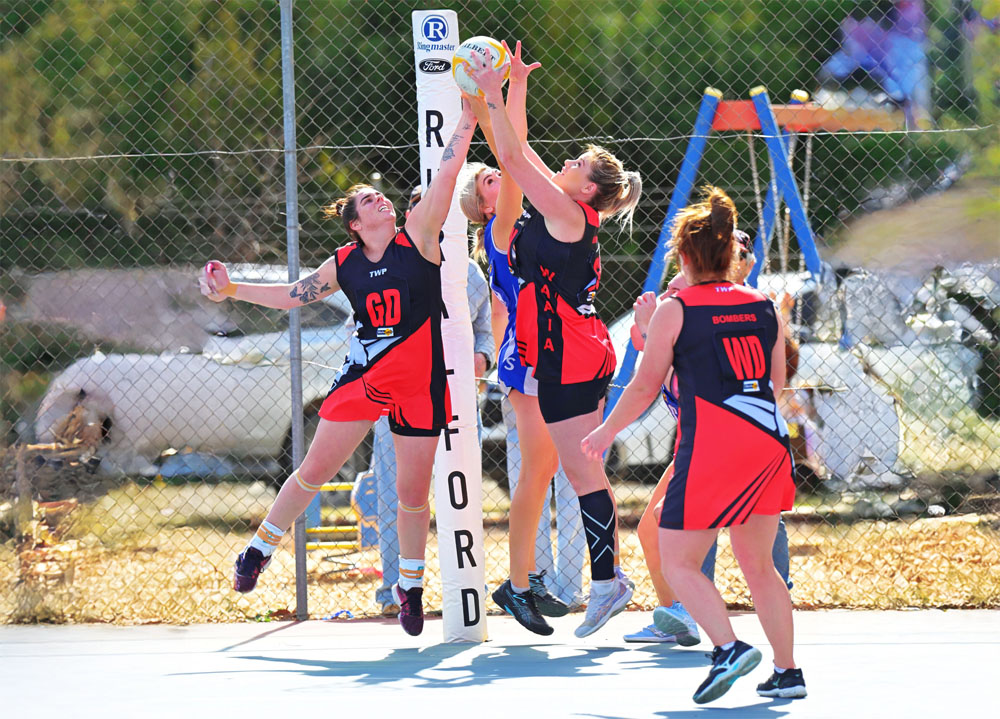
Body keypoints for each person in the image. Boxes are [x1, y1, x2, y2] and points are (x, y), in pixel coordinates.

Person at [198, 98, 481, 637]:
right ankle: (259, 549)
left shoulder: (418, 235)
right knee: (312, 471)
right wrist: (231, 288)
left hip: (420, 382)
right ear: (356, 224)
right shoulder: (345, 264)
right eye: (370, 201)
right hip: (366, 379)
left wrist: (469, 115)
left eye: (382, 196)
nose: (382, 201)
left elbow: (447, 174)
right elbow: (290, 296)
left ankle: (411, 589)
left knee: (412, 496)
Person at [582, 188, 806, 703]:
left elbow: (643, 386)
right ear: (731, 255)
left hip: (713, 445)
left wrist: (606, 430)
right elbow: (774, 386)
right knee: (760, 567)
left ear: (683, 256)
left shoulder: (675, 308)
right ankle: (788, 671)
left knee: (677, 559)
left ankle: (727, 648)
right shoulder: (764, 305)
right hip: (769, 444)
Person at [467, 44, 642, 638]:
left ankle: (607, 581)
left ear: (587, 190)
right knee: (573, 468)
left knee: (581, 470)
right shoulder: (563, 206)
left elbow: (512, 156)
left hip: (569, 353)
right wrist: (514, 85)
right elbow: (516, 151)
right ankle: (597, 581)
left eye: (574, 165)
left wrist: (495, 92)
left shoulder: (567, 216)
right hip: (568, 350)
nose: (563, 165)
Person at [459, 46, 586, 636]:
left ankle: (522, 578)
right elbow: (511, 155)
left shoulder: (533, 209)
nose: (495, 173)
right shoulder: (502, 224)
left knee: (544, 468)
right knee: (537, 471)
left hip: (548, 356)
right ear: (484, 202)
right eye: (486, 179)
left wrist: (512, 89)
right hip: (527, 360)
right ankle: (517, 584)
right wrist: (491, 98)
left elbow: (515, 147)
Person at [624, 231, 793, 645]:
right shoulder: (683, 320)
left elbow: (676, 383)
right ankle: (687, 615)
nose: (668, 291)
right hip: (724, 444)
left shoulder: (716, 314)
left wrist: (605, 430)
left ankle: (716, 632)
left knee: (718, 546)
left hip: (719, 446)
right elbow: (654, 381)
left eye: (675, 285)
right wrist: (648, 335)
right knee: (666, 532)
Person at [371, 186, 495, 614]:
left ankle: (465, 588)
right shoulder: (386, 264)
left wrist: (482, 356)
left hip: (456, 399)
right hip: (399, 397)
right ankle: (395, 590)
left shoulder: (470, 274)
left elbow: (486, 332)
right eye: (424, 206)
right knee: (397, 494)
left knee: (461, 495)